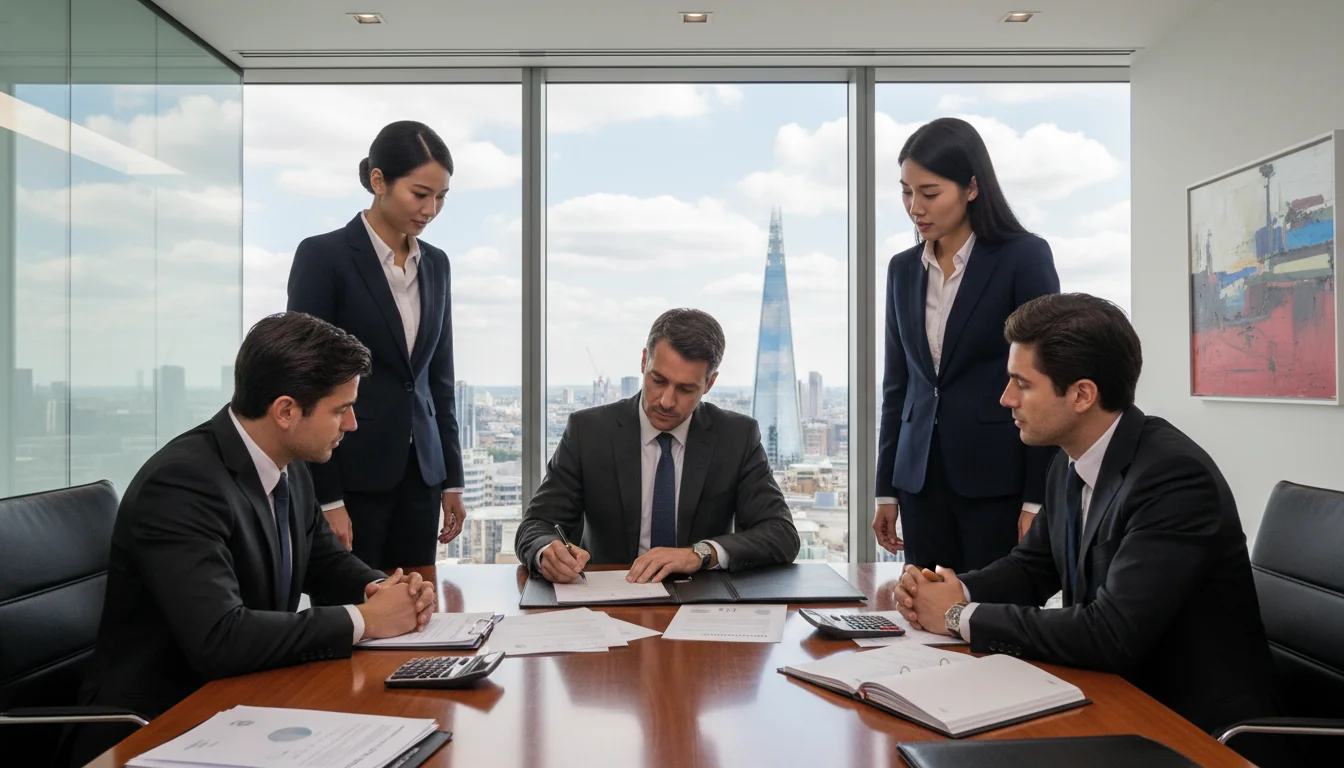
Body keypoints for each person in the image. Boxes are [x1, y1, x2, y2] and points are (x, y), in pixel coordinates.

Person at [892, 293, 1277, 735]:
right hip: (1113, 699)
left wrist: (960, 616)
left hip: (1191, 727)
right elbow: (1032, 569)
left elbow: (1111, 633)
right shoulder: (1071, 460)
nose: (1005, 399)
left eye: (1023, 383)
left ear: (1081, 394)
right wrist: (950, 589)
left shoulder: (1173, 479)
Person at [70, 313, 437, 761]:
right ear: (285, 411)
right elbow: (220, 638)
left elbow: (322, 560)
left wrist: (382, 589)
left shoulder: (288, 463)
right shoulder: (182, 484)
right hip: (157, 725)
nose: (353, 425)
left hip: (247, 703)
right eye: (340, 410)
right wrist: (366, 619)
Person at [875, 117, 1060, 572]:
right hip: (919, 483)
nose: (915, 206)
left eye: (930, 193)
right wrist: (886, 488)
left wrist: (1037, 499)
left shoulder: (1023, 257)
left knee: (990, 621)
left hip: (996, 482)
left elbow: (1049, 379)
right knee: (923, 616)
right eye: (906, 191)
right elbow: (898, 385)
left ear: (972, 187)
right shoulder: (902, 269)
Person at [287, 120, 466, 573]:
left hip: (421, 475)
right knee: (360, 609)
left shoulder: (437, 264)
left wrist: (453, 482)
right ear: (379, 180)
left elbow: (436, 380)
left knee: (419, 604)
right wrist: (327, 498)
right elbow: (305, 378)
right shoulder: (323, 257)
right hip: (351, 472)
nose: (431, 209)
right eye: (420, 193)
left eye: (441, 197)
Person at [515, 309, 801, 583]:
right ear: (644, 362)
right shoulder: (588, 432)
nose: (666, 400)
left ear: (710, 383)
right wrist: (547, 553)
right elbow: (536, 525)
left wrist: (701, 553)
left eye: (686, 389)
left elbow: (781, 534)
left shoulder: (736, 436)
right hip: (608, 602)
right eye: (658, 380)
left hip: (701, 598)